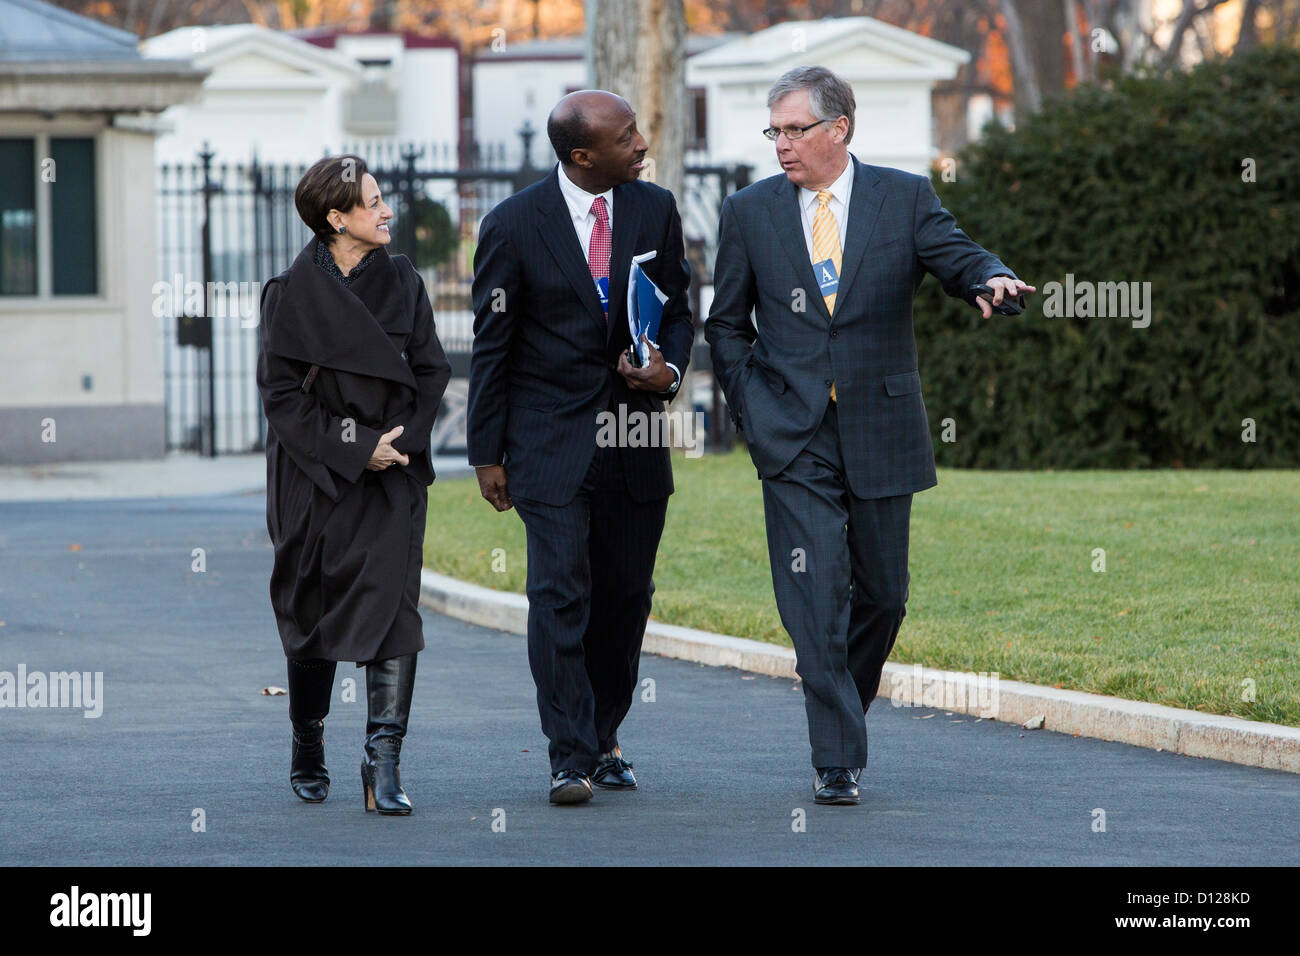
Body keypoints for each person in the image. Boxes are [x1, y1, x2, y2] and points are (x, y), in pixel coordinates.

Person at [705, 66, 1034, 805]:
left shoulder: (903, 196)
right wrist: (752, 410)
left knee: (883, 597)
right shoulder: (750, 211)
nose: (781, 145)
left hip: (882, 427)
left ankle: (841, 711)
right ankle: (836, 756)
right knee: (816, 596)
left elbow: (957, 256)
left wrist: (993, 279)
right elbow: (725, 324)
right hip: (792, 434)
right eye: (775, 131)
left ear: (838, 129)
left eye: (795, 130)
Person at [467, 90, 693, 805]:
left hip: (635, 438)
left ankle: (604, 735)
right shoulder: (512, 224)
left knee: (625, 598)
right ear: (581, 156)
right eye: (627, 136)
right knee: (560, 593)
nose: (642, 143)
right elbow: (491, 344)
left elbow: (680, 308)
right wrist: (487, 451)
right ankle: (569, 754)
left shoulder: (654, 208)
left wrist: (669, 370)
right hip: (547, 443)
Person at [256, 155, 451, 814]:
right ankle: (307, 740)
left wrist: (395, 447)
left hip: (391, 474)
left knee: (394, 611)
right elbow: (281, 399)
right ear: (336, 218)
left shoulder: (403, 281)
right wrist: (356, 447)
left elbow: (431, 373)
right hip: (315, 477)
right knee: (310, 612)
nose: (386, 210)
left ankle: (383, 762)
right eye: (372, 202)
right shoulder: (288, 293)